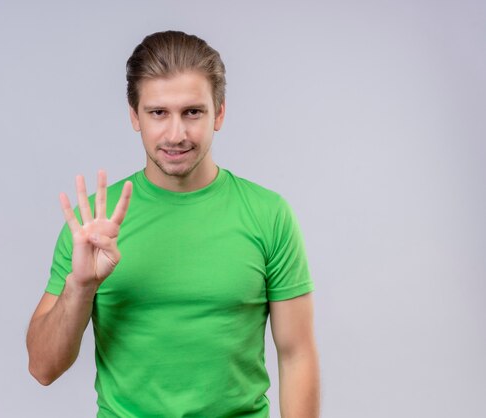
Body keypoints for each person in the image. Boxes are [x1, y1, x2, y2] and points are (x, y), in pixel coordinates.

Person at [26, 30, 320, 417]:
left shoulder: (268, 215)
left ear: (220, 112)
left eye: (192, 112)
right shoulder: (93, 224)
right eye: (158, 113)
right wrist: (80, 286)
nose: (176, 134)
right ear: (135, 116)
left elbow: (297, 355)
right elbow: (42, 369)